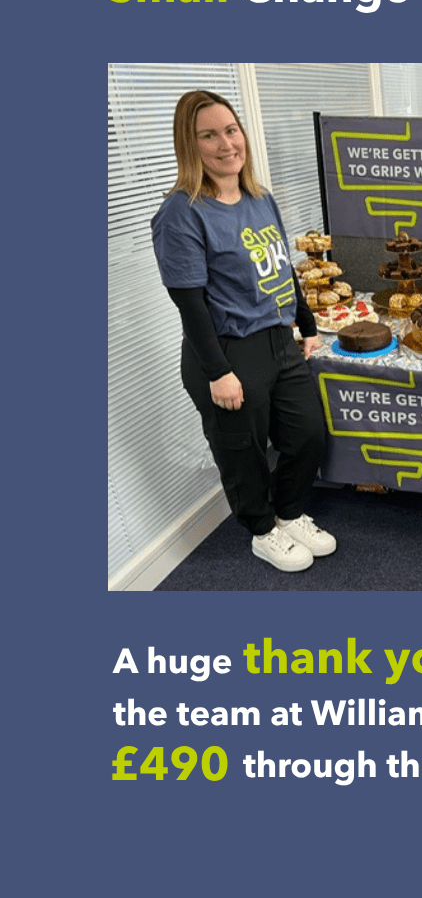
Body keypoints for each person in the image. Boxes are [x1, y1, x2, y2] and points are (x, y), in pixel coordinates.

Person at [151, 90, 334, 573]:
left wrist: (308, 323)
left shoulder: (259, 196)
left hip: (278, 340)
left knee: (308, 435)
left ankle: (289, 513)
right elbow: (187, 300)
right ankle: (262, 530)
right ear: (189, 146)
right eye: (208, 135)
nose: (225, 143)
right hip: (228, 350)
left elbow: (282, 268)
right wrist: (217, 372)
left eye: (230, 130)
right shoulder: (183, 212)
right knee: (243, 453)